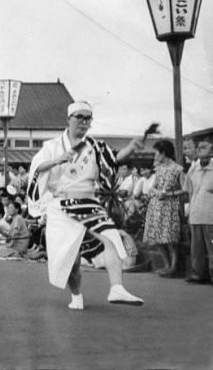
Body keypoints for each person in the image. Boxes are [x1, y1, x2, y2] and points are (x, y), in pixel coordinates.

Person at [27, 101, 144, 310]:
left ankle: (116, 287)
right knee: (72, 263)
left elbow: (113, 158)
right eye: (79, 117)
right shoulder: (52, 146)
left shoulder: (95, 146)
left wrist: (130, 149)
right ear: (69, 119)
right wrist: (58, 160)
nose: (83, 121)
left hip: (89, 202)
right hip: (62, 205)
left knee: (111, 237)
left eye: (87, 118)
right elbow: (37, 168)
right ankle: (76, 295)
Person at [143, 139, 187, 277]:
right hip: (156, 205)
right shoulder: (159, 169)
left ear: (164, 153)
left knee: (170, 237)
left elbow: (185, 189)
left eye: (157, 153)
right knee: (157, 237)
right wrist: (157, 192)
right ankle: (167, 265)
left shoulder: (177, 169)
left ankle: (173, 267)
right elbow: (153, 186)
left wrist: (169, 193)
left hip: (170, 206)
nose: (155, 156)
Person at [185, 139, 213, 284]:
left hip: (211, 214)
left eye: (207, 150)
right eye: (201, 149)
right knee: (196, 248)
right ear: (197, 152)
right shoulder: (193, 169)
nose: (205, 153)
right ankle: (198, 274)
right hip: (195, 213)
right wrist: (189, 209)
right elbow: (189, 191)